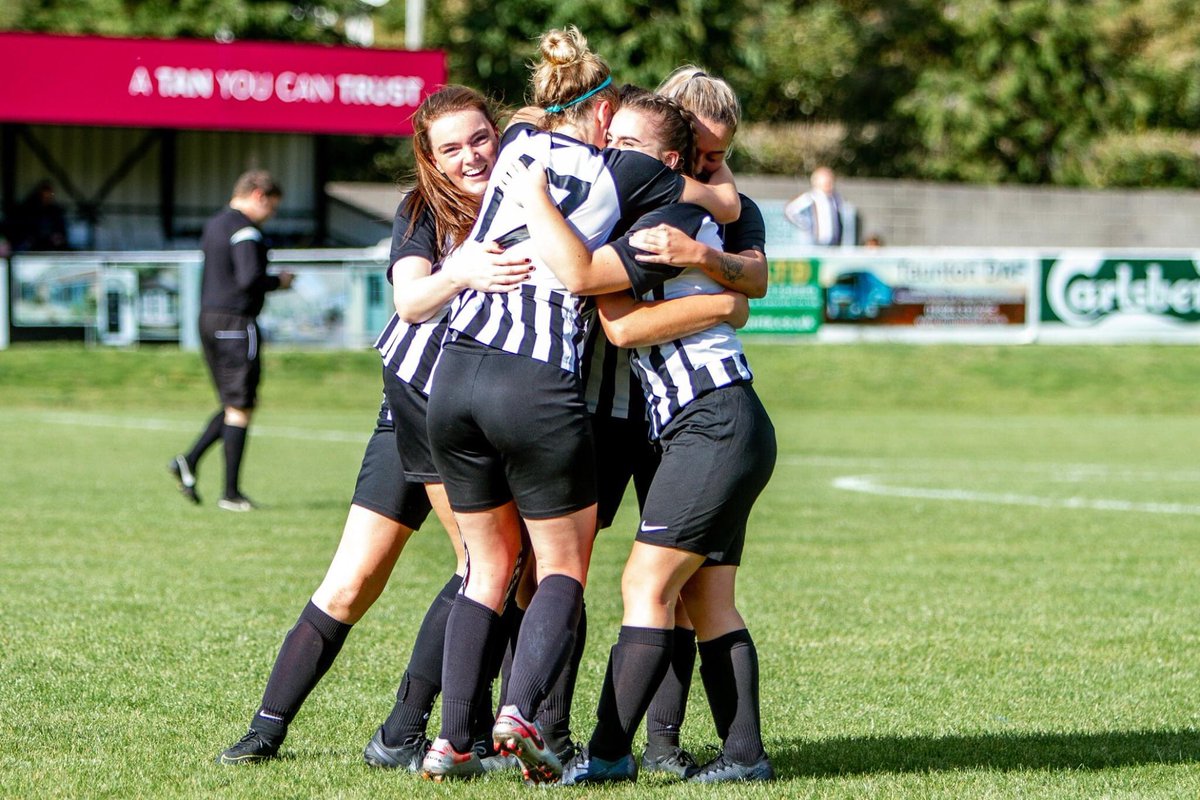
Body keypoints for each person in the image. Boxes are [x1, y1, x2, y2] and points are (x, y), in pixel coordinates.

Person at [418, 26, 740, 784]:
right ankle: (521, 713)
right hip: (533, 380)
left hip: (454, 372)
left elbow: (536, 117)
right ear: (603, 113)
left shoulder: (515, 142)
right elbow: (718, 199)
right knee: (563, 564)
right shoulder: (627, 171)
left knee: (486, 567)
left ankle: (451, 741)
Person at [214, 86, 529, 766]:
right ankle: (276, 732)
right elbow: (410, 299)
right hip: (418, 405)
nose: (471, 156)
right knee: (424, 574)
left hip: (467, 412)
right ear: (430, 158)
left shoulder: (530, 199)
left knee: (489, 570)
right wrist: (464, 270)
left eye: (480, 138)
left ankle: (427, 729)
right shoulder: (423, 208)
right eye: (451, 148)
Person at [508, 87, 776, 786]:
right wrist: (726, 301)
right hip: (717, 419)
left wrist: (532, 194)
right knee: (707, 600)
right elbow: (738, 281)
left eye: (628, 146)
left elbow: (620, 322)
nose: (612, 155)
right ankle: (744, 756)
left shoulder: (664, 216)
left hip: (711, 418)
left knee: (644, 583)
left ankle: (607, 756)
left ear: (667, 158)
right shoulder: (659, 204)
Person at [169, 170, 293, 511]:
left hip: (209, 319)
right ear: (258, 195)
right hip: (236, 323)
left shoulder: (215, 224)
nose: (271, 215)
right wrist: (279, 282)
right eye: (272, 207)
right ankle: (231, 494)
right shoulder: (245, 229)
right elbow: (249, 278)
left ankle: (189, 461)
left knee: (233, 404)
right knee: (240, 406)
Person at [784, 166, 857, 246]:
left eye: (831, 181)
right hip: (814, 243)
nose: (830, 184)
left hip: (832, 243)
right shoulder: (810, 197)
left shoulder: (835, 198)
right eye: (826, 181)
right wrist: (807, 224)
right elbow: (790, 210)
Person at [12, 179, 69, 251]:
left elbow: (61, 229)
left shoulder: (54, 210)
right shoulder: (29, 209)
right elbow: (24, 229)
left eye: (49, 196)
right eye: (44, 196)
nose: (47, 199)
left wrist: (58, 236)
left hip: (50, 244)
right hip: (33, 244)